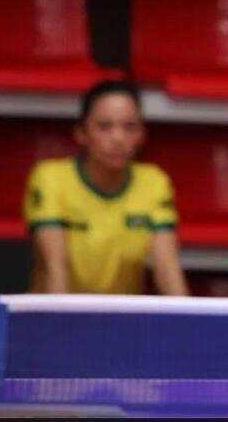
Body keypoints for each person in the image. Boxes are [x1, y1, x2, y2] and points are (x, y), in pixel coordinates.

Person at [24, 80, 188, 295]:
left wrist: (188, 315)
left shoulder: (154, 182)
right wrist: (62, 317)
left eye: (129, 127)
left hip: (122, 314)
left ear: (142, 135)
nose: (118, 138)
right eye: (104, 126)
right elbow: (55, 270)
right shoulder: (50, 178)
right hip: (57, 311)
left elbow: (168, 269)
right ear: (81, 133)